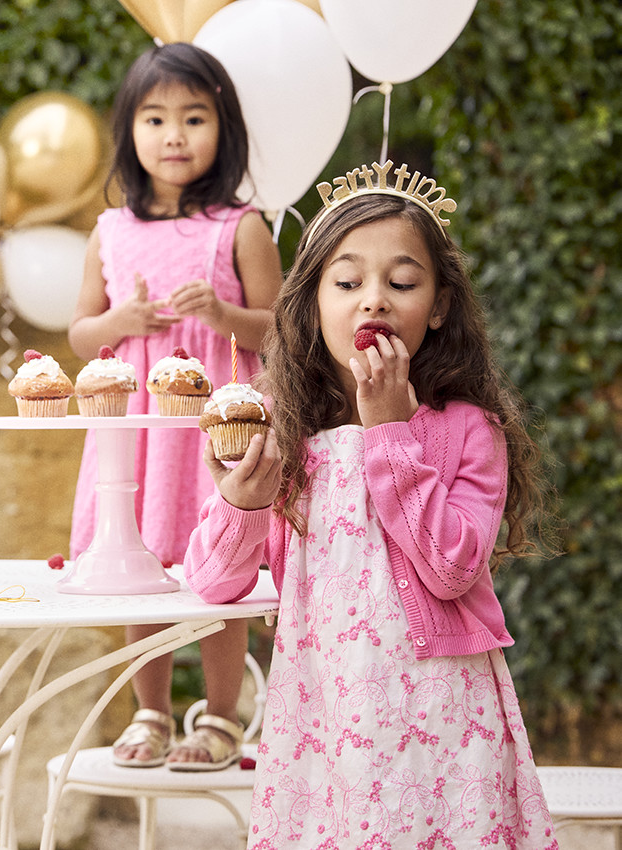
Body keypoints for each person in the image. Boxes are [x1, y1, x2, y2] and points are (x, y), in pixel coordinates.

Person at [184, 161, 558, 846]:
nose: (374, 301)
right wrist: (243, 504)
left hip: (442, 719)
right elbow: (210, 583)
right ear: (311, 301)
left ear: (439, 306)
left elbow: (452, 569)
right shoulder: (281, 428)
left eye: (403, 283)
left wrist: (389, 431)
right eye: (348, 282)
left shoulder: (468, 429)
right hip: (323, 719)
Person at [68, 42, 283, 770]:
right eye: (155, 119)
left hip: (215, 428)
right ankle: (150, 712)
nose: (174, 135)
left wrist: (222, 315)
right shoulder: (111, 230)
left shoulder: (240, 227)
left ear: (224, 128)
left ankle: (221, 717)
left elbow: (282, 329)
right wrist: (120, 323)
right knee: (141, 560)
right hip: (136, 429)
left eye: (194, 118)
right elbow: (80, 333)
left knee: (221, 565)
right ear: (129, 129)